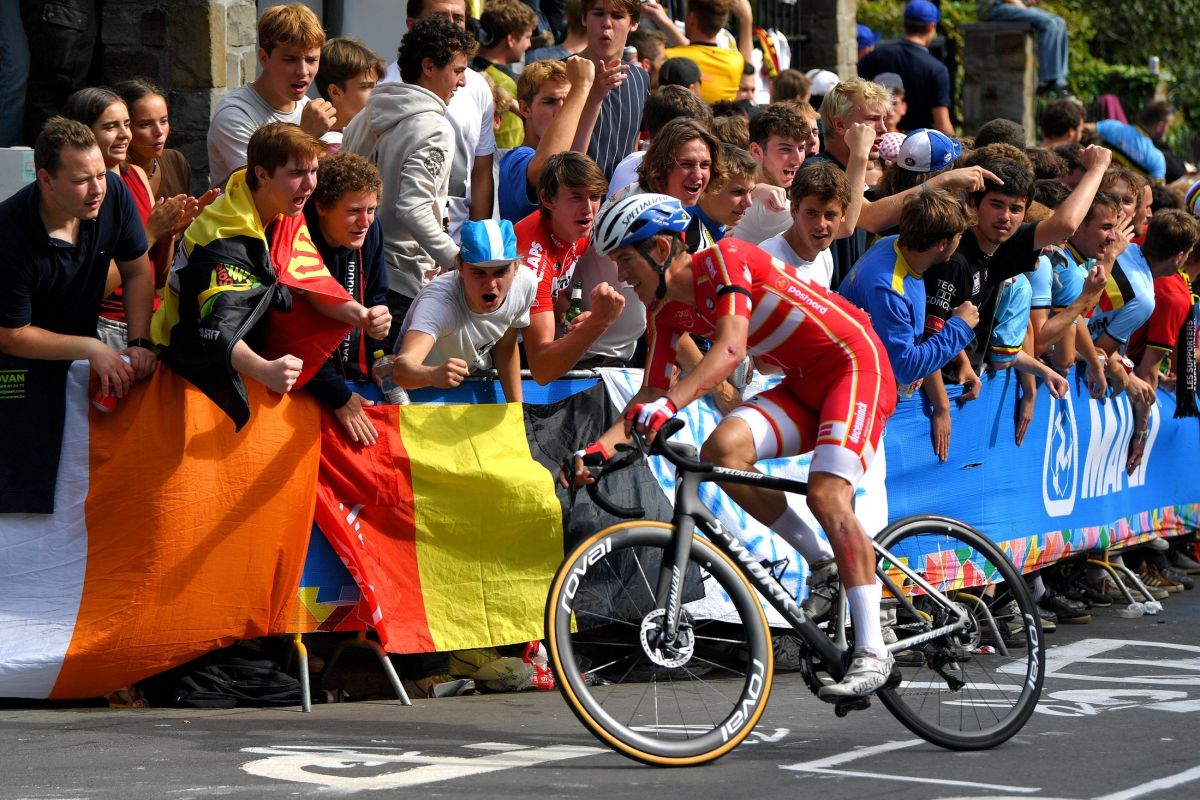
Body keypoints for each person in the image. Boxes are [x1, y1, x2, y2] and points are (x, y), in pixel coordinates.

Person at [572, 193, 901, 699]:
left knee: (826, 494)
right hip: (803, 383)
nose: (620, 275)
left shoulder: (725, 261)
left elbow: (729, 350)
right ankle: (823, 562)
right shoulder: (665, 310)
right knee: (721, 451)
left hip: (855, 365)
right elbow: (650, 394)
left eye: (625, 260)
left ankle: (874, 649)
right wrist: (597, 451)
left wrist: (671, 402)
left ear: (661, 249)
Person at [153, 123, 390, 430]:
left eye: (313, 171)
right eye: (297, 173)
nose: (310, 185)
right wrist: (265, 370)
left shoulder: (283, 211)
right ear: (263, 174)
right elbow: (216, 330)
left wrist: (363, 316)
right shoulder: (222, 236)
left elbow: (314, 284)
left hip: (244, 366)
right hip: (187, 371)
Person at [919, 146, 1114, 459]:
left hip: (961, 390)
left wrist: (1040, 371)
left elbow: (1064, 225)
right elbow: (927, 336)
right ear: (974, 204)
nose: (1005, 217)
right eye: (996, 204)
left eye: (1016, 209)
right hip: (928, 399)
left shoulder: (1001, 247)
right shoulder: (954, 259)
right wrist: (941, 407)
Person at [343, 14, 479, 344]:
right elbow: (413, 208)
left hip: (352, 275)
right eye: (458, 71)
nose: (462, 82)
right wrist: (458, 261)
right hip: (400, 285)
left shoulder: (365, 114)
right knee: (398, 374)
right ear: (429, 67)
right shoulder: (435, 128)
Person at [0, 117, 154, 399]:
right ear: (46, 180)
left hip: (82, 357)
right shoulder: (9, 232)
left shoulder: (113, 193)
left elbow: (137, 271)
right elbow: (12, 336)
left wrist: (140, 342)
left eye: (100, 174)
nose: (97, 190)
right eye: (81, 180)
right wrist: (89, 347)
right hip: (17, 372)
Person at [61, 88, 197, 349]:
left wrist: (168, 234)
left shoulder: (136, 175)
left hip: (150, 322)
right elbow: (90, 287)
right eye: (111, 127)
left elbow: (157, 278)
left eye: (126, 124)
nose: (125, 134)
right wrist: (150, 234)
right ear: (83, 132)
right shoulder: (82, 196)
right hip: (108, 327)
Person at [838, 188, 980, 395]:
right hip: (857, 389)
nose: (960, 243)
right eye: (960, 236)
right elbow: (906, 369)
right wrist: (959, 327)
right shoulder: (889, 291)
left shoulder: (892, 243)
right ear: (942, 244)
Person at [381, 0, 498, 241]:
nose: (451, 26)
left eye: (459, 18)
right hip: (398, 247)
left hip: (458, 245)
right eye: (441, 17)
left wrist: (476, 244)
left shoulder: (477, 86)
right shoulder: (383, 89)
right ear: (413, 25)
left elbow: (481, 171)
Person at [303, 152, 392, 446]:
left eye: (372, 209)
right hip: (307, 382)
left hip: (349, 377)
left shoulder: (371, 229)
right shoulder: (298, 237)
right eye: (354, 211)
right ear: (321, 206)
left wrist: (380, 352)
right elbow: (291, 334)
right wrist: (337, 395)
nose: (365, 222)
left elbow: (376, 294)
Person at [393, 219, 535, 403]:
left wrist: (517, 409)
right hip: (418, 391)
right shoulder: (439, 302)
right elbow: (401, 370)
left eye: (500, 272)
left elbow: (506, 344)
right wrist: (431, 375)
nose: (490, 285)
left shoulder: (525, 284)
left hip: (470, 382)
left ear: (516, 267)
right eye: (479, 273)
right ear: (460, 266)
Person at [515, 152, 625, 382]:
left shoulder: (572, 227)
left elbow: (553, 294)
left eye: (595, 196)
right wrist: (598, 322)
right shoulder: (533, 265)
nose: (588, 209)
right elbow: (542, 369)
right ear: (548, 199)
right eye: (576, 197)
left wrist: (568, 315)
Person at [207, 3, 335, 188]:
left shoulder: (309, 111)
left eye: (311, 60)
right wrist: (305, 137)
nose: (303, 71)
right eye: (290, 60)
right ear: (264, 58)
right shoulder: (235, 114)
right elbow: (258, 188)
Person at [1123, 209, 1200, 471]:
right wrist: (1141, 434)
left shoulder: (1128, 246)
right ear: (1180, 256)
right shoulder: (1174, 295)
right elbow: (1146, 371)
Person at [498, 57, 598, 221]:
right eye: (550, 101)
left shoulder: (565, 157)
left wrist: (596, 97)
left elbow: (569, 161)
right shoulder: (514, 159)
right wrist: (581, 87)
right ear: (525, 108)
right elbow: (549, 169)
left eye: (568, 101)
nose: (562, 111)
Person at [758, 156, 869, 290]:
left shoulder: (824, 255)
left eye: (830, 215)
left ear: (843, 215)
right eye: (812, 214)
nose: (821, 224)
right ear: (793, 210)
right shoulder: (766, 260)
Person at [576, 0, 651, 180]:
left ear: (634, 23)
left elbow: (634, 140)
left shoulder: (640, 78)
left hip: (623, 194)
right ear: (584, 18)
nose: (606, 23)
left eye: (617, 16)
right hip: (574, 191)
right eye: (598, 13)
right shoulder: (559, 74)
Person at [857, 0, 953, 135]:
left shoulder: (873, 58)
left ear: (904, 25)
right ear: (931, 27)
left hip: (877, 140)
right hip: (918, 144)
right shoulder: (937, 70)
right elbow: (942, 124)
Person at [729, 102, 812, 245]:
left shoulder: (740, 190)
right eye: (785, 149)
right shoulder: (769, 206)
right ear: (756, 151)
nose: (797, 160)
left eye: (801, 148)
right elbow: (840, 228)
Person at [472, 0, 538, 149]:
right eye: (527, 37)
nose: (529, 44)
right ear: (511, 39)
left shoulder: (467, 69)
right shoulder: (507, 81)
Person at [663, 0, 752, 104]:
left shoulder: (668, 56)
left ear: (691, 18)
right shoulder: (736, 61)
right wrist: (747, 19)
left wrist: (663, 22)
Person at [978, 0, 1070, 97]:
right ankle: (1047, 82)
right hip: (994, 9)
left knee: (1060, 22)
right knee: (1049, 24)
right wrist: (1020, 5)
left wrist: (1025, 2)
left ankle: (1060, 82)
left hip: (1009, 6)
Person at [314, 36, 386, 153]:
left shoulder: (363, 136)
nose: (376, 94)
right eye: (365, 86)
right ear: (335, 92)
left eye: (376, 85)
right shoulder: (333, 150)